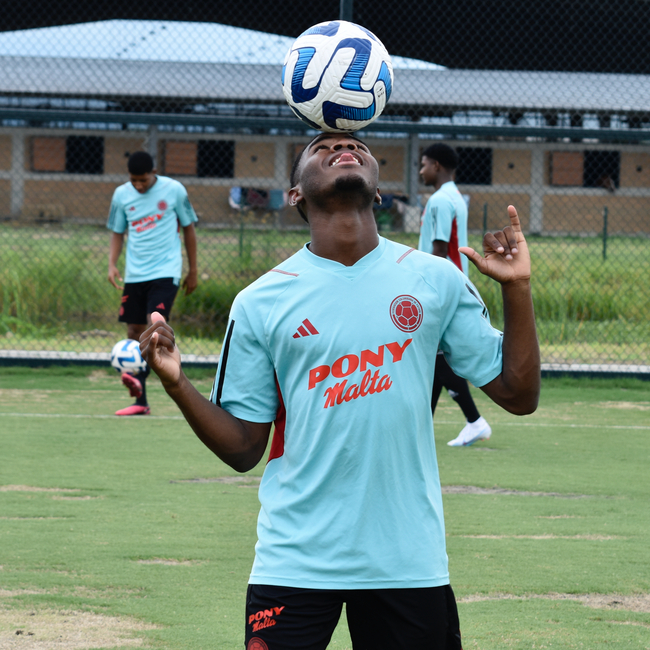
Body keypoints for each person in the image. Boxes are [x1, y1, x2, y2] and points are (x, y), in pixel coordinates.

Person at [140, 133, 540, 650]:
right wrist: (176, 384)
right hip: (294, 559)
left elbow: (519, 394)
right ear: (295, 194)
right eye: (320, 147)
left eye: (356, 143)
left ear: (377, 189)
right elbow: (243, 448)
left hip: (407, 562)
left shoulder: (434, 280)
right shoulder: (259, 301)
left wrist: (517, 288)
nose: (342, 147)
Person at [107, 151, 198, 416]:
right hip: (135, 274)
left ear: (153, 172)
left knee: (155, 327)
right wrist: (112, 264)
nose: (138, 185)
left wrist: (193, 270)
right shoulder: (121, 195)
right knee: (134, 331)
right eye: (134, 180)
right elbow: (117, 232)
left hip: (166, 271)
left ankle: (174, 384)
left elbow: (189, 228)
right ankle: (141, 400)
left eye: (143, 180)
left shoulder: (174, 191)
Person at [418, 143, 492, 447]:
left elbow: (438, 251)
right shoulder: (456, 197)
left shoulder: (439, 201)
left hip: (438, 286)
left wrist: (424, 288)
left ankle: (474, 421)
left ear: (436, 165)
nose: (420, 171)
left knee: (438, 357)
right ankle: (430, 425)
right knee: (436, 357)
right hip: (453, 284)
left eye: (422, 165)